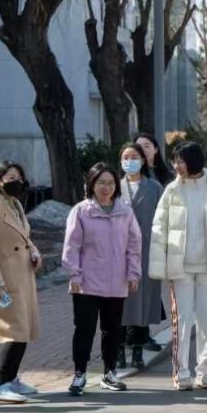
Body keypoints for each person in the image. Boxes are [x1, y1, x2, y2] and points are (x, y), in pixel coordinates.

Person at [150, 142, 207, 391]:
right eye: (175, 161)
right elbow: (159, 229)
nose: (176, 166)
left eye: (181, 160)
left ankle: (205, 370)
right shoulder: (172, 190)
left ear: (194, 161)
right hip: (180, 267)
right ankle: (181, 372)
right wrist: (159, 265)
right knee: (182, 320)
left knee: (206, 321)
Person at [62, 163, 142, 395]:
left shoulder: (125, 211)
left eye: (110, 183)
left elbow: (134, 245)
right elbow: (71, 246)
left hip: (117, 282)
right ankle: (79, 373)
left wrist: (133, 273)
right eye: (101, 183)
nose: (106, 188)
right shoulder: (81, 211)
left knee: (112, 330)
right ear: (91, 184)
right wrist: (74, 273)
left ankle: (109, 373)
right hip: (86, 283)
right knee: (84, 330)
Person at [0, 161, 43, 403]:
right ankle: (0, 384)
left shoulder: (14, 204)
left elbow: (24, 236)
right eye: (11, 177)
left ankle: (12, 378)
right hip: (4, 279)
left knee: (23, 329)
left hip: (22, 274)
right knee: (13, 330)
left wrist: (34, 251)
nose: (17, 182)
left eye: (19, 177)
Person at [117, 143, 164, 370]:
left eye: (134, 157)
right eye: (125, 157)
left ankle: (137, 350)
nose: (130, 161)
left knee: (142, 302)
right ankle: (118, 350)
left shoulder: (154, 187)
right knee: (119, 302)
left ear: (143, 160)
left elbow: (164, 219)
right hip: (118, 253)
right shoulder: (114, 187)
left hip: (147, 252)